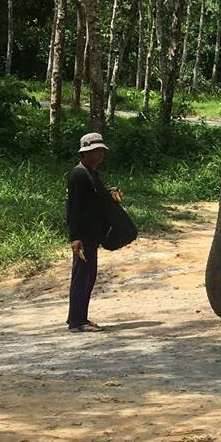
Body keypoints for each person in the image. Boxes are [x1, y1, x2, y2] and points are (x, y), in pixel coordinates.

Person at [66, 132, 122, 333]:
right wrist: (75, 237)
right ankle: (77, 321)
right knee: (82, 276)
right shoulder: (79, 174)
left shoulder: (92, 173)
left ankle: (80, 318)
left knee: (88, 276)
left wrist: (109, 194)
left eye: (101, 151)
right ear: (84, 154)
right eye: (95, 151)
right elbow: (74, 208)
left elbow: (94, 199)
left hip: (93, 234)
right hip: (84, 236)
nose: (100, 155)